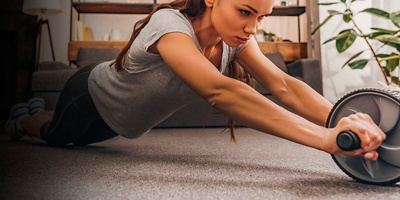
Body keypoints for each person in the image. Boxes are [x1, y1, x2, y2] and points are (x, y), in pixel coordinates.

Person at [5, 0, 385, 160]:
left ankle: (37, 111)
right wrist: (323, 139)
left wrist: (339, 119)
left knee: (79, 143)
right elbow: (220, 90)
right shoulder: (170, 26)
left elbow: (284, 85)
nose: (252, 28)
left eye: (262, 18)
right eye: (245, 12)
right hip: (89, 94)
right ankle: (24, 118)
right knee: (57, 137)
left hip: (119, 125)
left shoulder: (235, 41)